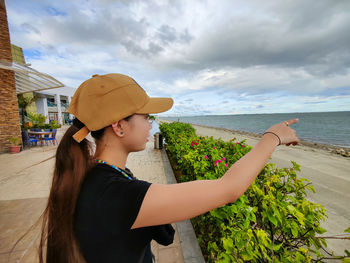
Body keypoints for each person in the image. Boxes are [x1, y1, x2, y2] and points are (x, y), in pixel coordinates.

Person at [36, 73, 300, 263]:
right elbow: (228, 189)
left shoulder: (96, 176)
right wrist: (272, 136)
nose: (151, 124)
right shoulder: (115, 194)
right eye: (145, 117)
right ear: (119, 126)